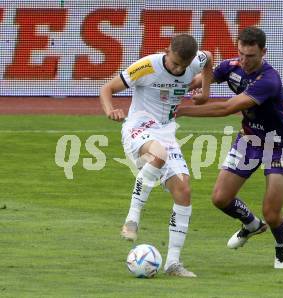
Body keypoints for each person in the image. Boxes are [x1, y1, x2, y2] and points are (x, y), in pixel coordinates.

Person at [177, 26, 283, 269]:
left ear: (264, 52)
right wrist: (174, 91)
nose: (244, 60)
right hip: (249, 139)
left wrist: (181, 109)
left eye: (251, 56)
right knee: (220, 198)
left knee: (272, 213)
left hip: (279, 144)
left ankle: (281, 245)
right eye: (241, 53)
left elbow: (227, 108)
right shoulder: (232, 67)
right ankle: (253, 225)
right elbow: (201, 78)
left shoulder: (269, 80)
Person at [99, 33, 212, 277]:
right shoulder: (147, 65)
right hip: (138, 128)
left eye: (183, 65)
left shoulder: (196, 61)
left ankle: (173, 263)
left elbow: (210, 60)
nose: (178, 68)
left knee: (184, 191)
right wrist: (111, 110)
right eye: (174, 63)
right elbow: (107, 88)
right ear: (166, 50)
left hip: (166, 132)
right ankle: (132, 218)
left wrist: (205, 90)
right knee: (158, 154)